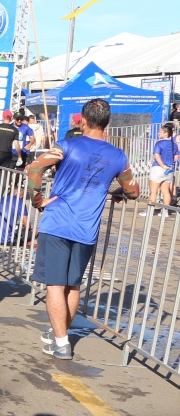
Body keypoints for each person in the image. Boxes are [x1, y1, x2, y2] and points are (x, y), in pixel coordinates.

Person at [28, 98, 139, 360]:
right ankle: (60, 335)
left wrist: (38, 200)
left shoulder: (66, 146)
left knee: (55, 286)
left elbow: (34, 168)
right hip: (87, 227)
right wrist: (117, 192)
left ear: (83, 121)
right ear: (107, 124)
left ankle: (62, 343)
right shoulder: (118, 156)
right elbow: (133, 191)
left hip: (57, 222)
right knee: (73, 286)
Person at [146, 123, 177, 211]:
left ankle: (150, 211)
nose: (158, 133)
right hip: (169, 169)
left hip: (158, 168)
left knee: (153, 191)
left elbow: (157, 156)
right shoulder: (174, 144)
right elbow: (176, 157)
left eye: (160, 132)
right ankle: (165, 211)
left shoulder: (159, 143)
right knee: (166, 191)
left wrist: (163, 165)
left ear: (166, 133)